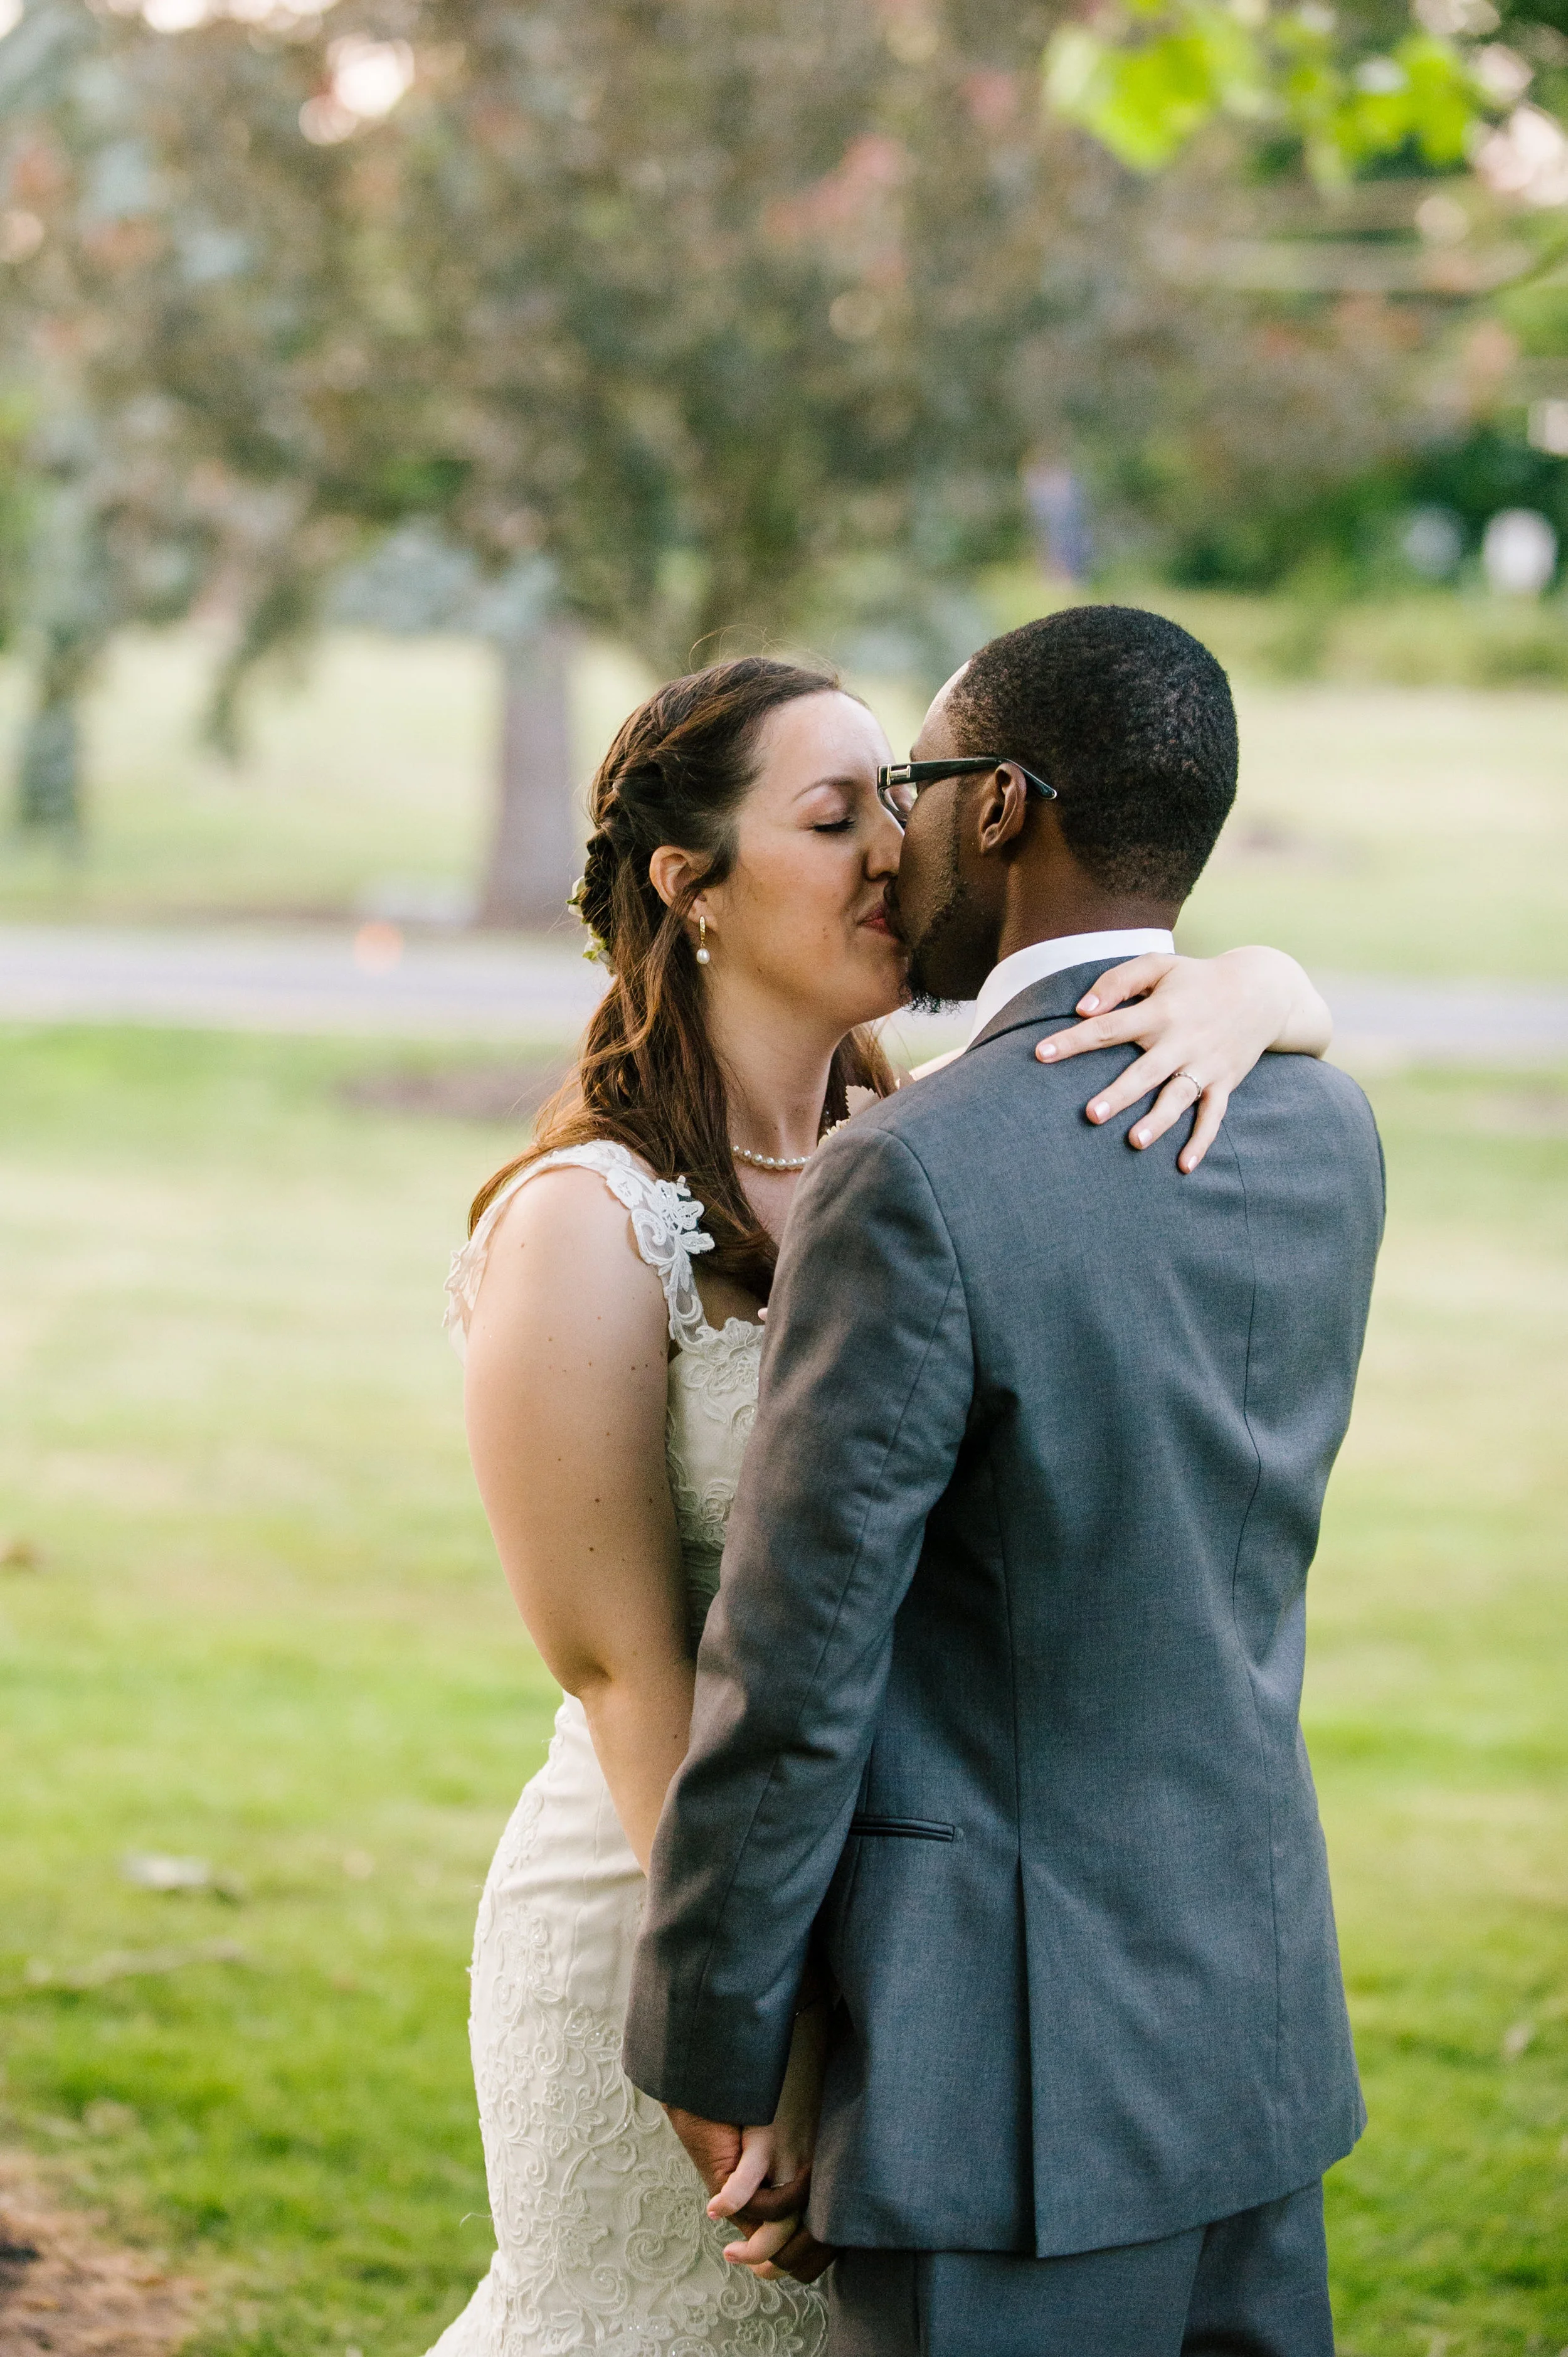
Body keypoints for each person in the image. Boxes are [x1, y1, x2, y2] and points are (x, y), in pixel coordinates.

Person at [430, 640, 1338, 2356]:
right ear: (693, 887)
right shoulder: (582, 1222)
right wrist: (744, 2021)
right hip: (669, 1906)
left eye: (898, 806)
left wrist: (1254, 984)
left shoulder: (919, 1141)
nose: (892, 854)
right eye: (838, 814)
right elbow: (625, 1671)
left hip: (917, 1951)